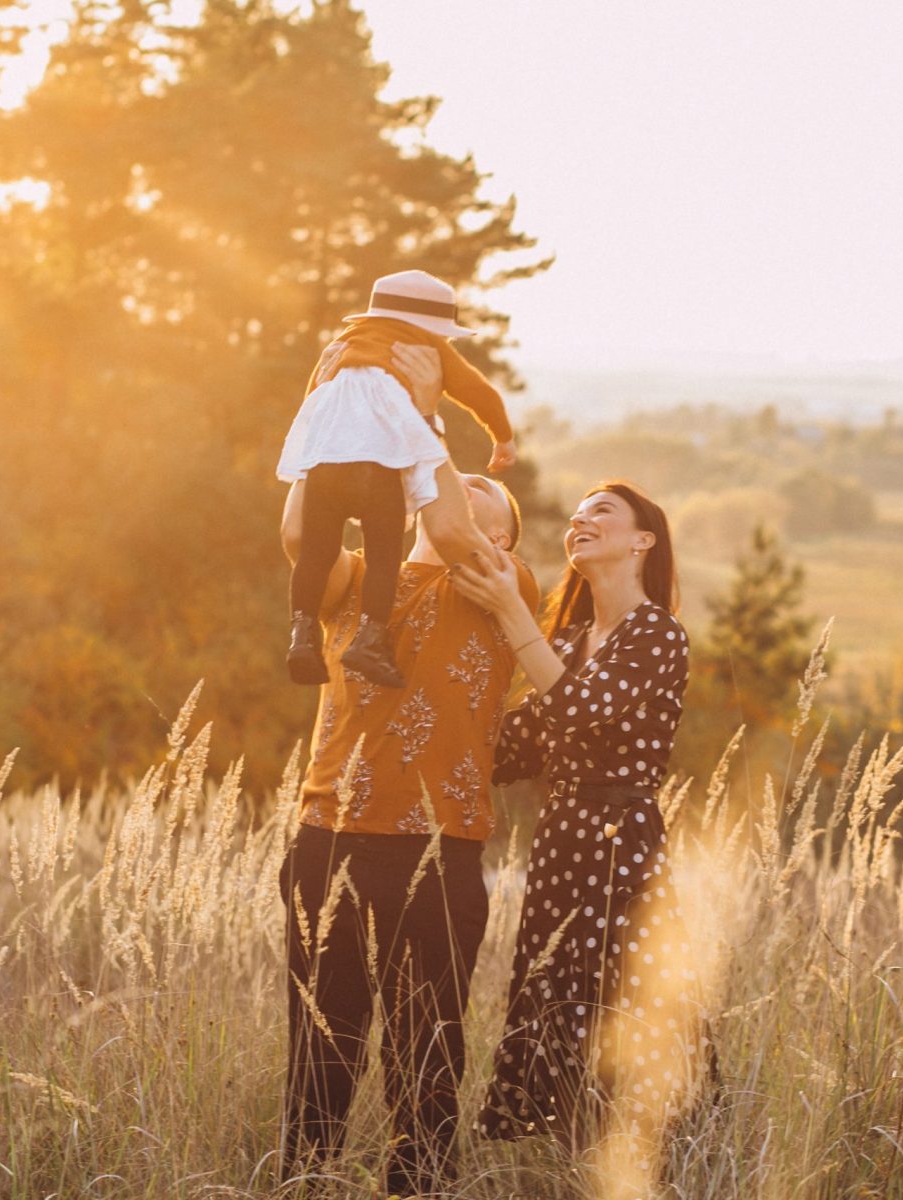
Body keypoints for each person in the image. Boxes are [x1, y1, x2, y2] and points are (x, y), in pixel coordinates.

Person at [276, 342, 539, 1196]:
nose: (439, 499)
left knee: (427, 1052)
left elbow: (452, 518)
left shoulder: (501, 583)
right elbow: (296, 534)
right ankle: (304, 1183)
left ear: (499, 532)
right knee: (321, 1046)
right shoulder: (358, 585)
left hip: (438, 848)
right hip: (330, 837)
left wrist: (422, 418)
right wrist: (325, 411)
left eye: (472, 497)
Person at [450, 480, 719, 1164]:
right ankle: (577, 1167)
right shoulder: (568, 640)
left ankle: (661, 1163)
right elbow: (514, 748)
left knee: (624, 1007)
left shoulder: (656, 633)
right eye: (577, 513)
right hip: (560, 846)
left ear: (643, 540)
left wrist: (513, 614)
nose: (581, 519)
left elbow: (574, 710)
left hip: (619, 844)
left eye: (603, 510)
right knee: (557, 1010)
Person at [277, 268, 517, 689]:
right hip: (377, 468)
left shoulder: (341, 347)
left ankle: (301, 634)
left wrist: (312, 457)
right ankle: (369, 641)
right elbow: (479, 393)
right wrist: (503, 438)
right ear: (433, 327)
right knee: (384, 557)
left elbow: (315, 401)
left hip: (327, 465)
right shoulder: (427, 346)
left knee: (317, 552)